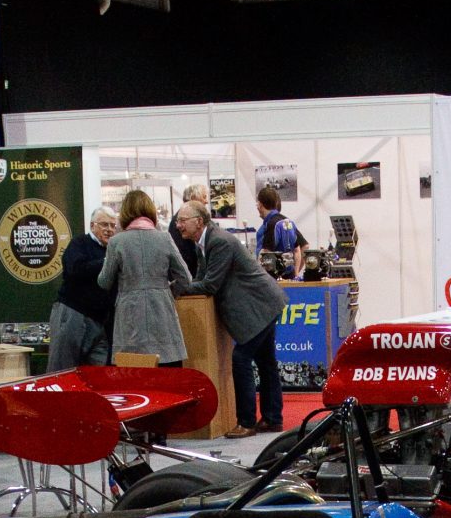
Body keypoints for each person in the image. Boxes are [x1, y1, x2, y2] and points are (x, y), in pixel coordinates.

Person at [180, 201, 288, 436]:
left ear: (199, 221)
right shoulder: (204, 242)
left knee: (241, 359)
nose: (178, 225)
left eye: (182, 220)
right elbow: (203, 276)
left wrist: (179, 289)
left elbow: (210, 284)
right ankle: (272, 418)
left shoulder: (218, 241)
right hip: (263, 303)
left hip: (260, 305)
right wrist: (190, 286)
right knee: (266, 362)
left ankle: (247, 422)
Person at [99, 189, 194, 366]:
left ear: (125, 213)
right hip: (162, 309)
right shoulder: (164, 238)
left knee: (132, 372)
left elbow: (104, 282)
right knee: (167, 370)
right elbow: (185, 279)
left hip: (129, 313)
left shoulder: (117, 242)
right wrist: (167, 291)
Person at [46, 207, 118, 372]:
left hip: (99, 323)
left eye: (113, 226)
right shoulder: (79, 243)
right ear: (93, 226)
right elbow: (75, 270)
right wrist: (107, 262)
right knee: (62, 370)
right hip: (73, 314)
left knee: (98, 375)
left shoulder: (113, 250)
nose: (109, 230)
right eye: (104, 225)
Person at [255, 185, 307, 277]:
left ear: (260, 205)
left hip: (273, 277)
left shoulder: (271, 225)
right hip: (289, 275)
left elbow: (266, 254)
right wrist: (295, 275)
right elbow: (297, 250)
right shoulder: (288, 222)